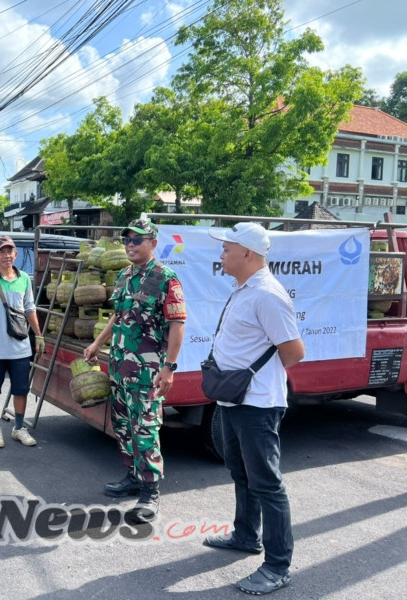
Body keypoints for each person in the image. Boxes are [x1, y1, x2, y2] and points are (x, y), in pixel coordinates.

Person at [203, 222, 305, 596]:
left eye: (227, 248)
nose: (222, 254)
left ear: (248, 253)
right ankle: (246, 536)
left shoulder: (268, 295)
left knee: (267, 484)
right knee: (241, 472)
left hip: (258, 405)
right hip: (233, 400)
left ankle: (278, 567)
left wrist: (251, 374)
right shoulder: (242, 288)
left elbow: (294, 353)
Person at [84, 218, 185, 522]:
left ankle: (151, 491)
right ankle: (132, 476)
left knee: (145, 428)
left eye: (137, 240)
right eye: (127, 240)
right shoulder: (125, 276)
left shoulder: (165, 278)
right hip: (119, 365)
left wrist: (169, 368)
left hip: (147, 371)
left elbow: (178, 324)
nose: (130, 245)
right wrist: (96, 344)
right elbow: (118, 315)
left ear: (153, 243)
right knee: (124, 425)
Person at [0, 236, 45, 448]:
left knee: (21, 389)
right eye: (1, 252)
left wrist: (38, 335)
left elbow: (30, 308)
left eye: (10, 251)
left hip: (20, 347)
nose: (6, 256)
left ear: (16, 254)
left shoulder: (24, 279)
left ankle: (19, 428)